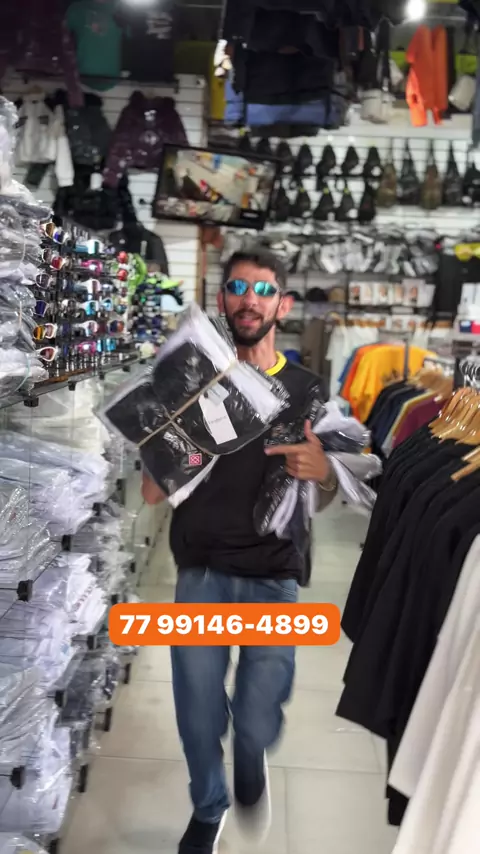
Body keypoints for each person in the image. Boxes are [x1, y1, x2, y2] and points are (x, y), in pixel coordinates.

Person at [142, 247, 338, 854]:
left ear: (283, 305)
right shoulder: (190, 382)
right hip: (200, 569)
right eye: (236, 287)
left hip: (273, 574)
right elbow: (151, 492)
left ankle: (252, 753)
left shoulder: (307, 390)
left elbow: (328, 492)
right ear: (222, 299)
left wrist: (324, 471)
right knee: (198, 712)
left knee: (256, 716)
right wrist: (166, 431)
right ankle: (209, 806)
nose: (249, 299)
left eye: (263, 289)